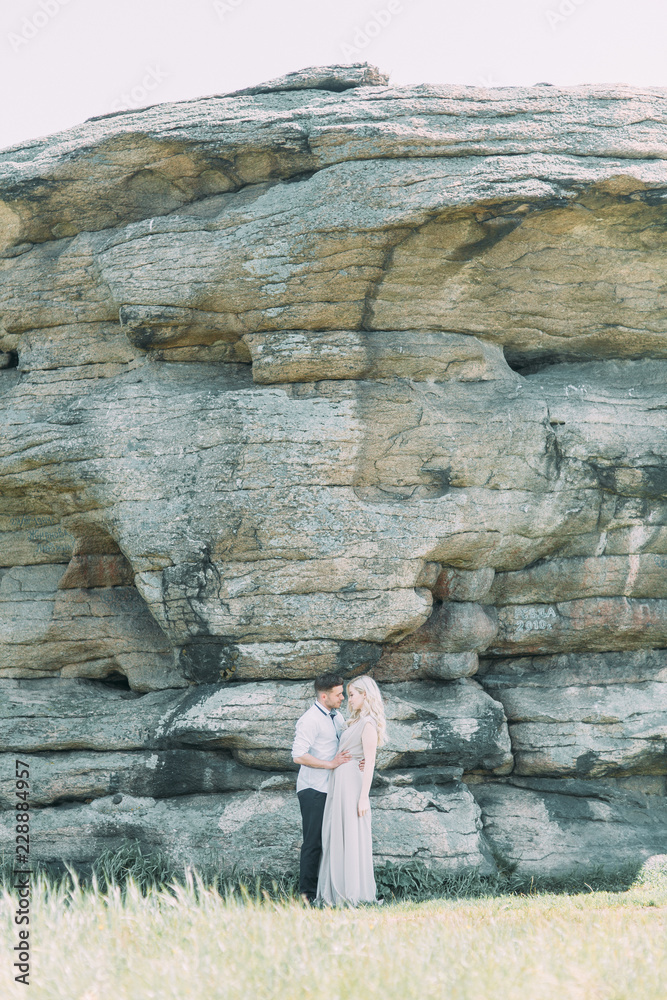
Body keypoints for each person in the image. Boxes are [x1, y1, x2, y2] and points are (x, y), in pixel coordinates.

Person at [316, 674, 387, 906]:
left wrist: (364, 796)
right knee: (336, 835)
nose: (349, 700)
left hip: (353, 787)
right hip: (340, 784)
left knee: (352, 836)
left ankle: (353, 892)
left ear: (365, 695)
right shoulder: (354, 721)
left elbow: (370, 761)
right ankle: (335, 892)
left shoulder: (367, 724)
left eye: (353, 695)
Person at [291, 673, 351, 904]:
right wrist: (330, 764)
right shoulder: (310, 720)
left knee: (332, 842)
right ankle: (307, 898)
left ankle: (330, 893)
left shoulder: (337, 717)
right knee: (313, 843)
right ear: (324, 696)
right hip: (313, 790)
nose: (343, 698)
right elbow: (298, 756)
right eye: (338, 694)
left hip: (333, 789)